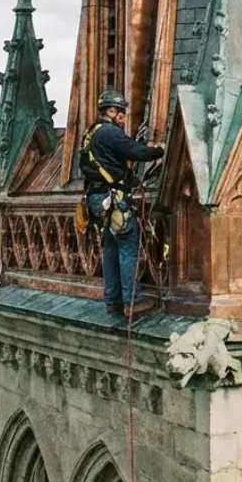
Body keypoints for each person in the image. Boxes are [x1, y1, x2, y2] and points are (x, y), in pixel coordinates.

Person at [81, 89, 164, 317]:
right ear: (111, 110)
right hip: (114, 199)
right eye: (121, 113)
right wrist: (160, 150)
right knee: (127, 246)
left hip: (98, 200)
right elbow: (136, 152)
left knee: (110, 246)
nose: (123, 118)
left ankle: (113, 301)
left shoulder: (91, 134)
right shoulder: (110, 133)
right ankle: (132, 302)